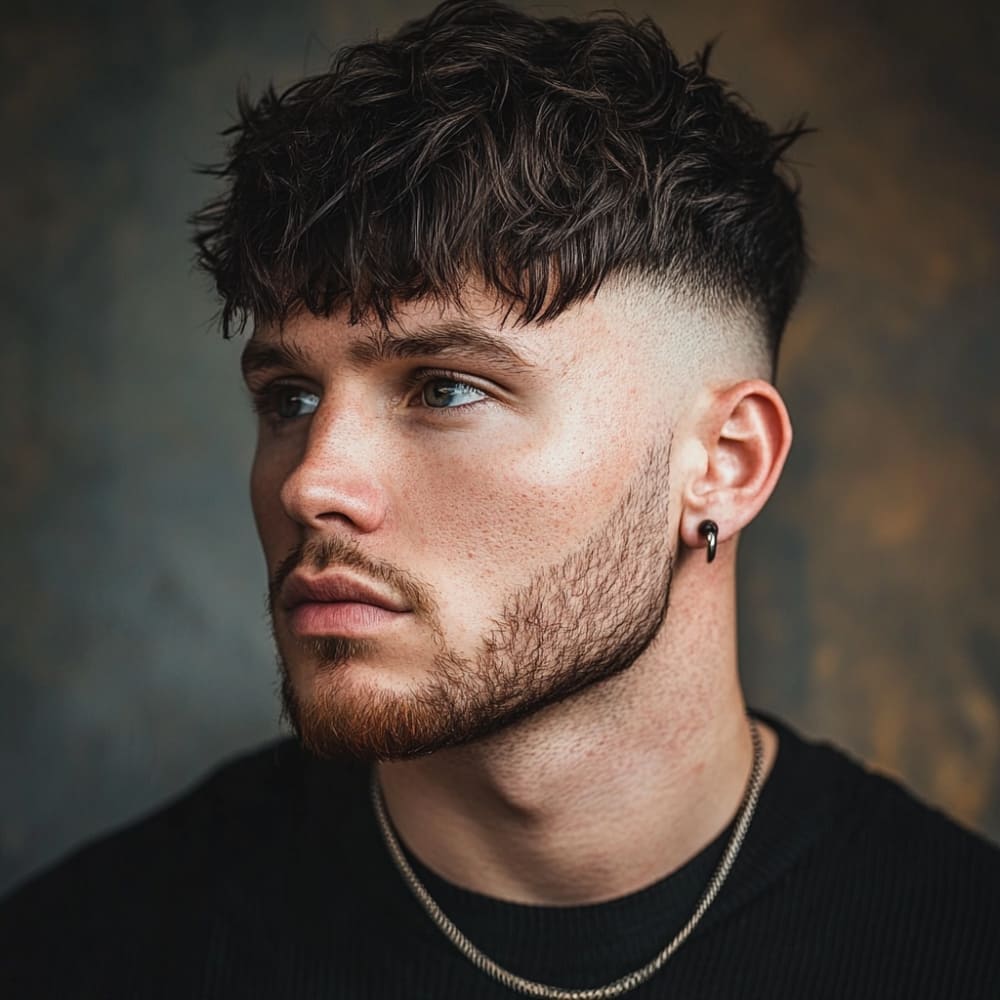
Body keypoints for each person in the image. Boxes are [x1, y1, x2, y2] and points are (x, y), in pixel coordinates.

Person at [2, 1, 998, 997]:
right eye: (289, 397)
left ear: (725, 465)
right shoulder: (87, 953)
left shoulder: (951, 943)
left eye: (444, 388)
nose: (312, 480)